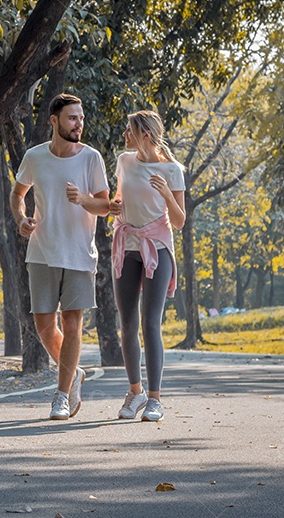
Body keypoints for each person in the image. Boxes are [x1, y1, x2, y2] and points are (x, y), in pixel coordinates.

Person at [11, 94, 110, 420]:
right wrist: (21, 219)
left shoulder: (91, 158)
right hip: (41, 250)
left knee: (72, 321)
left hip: (79, 252)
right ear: (54, 121)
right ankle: (75, 372)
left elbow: (105, 206)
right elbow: (17, 194)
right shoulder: (35, 157)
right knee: (43, 326)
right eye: (71, 118)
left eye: (80, 118)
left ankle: (62, 393)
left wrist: (83, 199)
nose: (78, 124)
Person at [108, 110, 186, 422]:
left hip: (158, 246)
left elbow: (179, 221)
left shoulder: (172, 169)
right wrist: (114, 205)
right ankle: (135, 391)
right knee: (127, 323)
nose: (124, 134)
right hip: (126, 244)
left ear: (145, 135)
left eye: (129, 130)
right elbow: (119, 197)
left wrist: (167, 193)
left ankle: (155, 399)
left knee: (151, 323)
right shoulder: (124, 162)